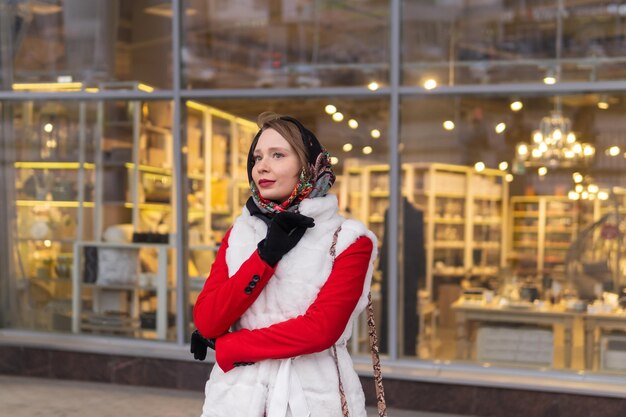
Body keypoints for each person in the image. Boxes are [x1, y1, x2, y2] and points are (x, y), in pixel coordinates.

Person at [192, 112, 378, 417]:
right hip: (236, 400)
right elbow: (208, 320)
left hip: (311, 400)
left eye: (278, 155)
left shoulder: (349, 240)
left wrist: (231, 346)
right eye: (257, 157)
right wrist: (265, 256)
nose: (262, 166)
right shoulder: (239, 233)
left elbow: (320, 331)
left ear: (308, 166)